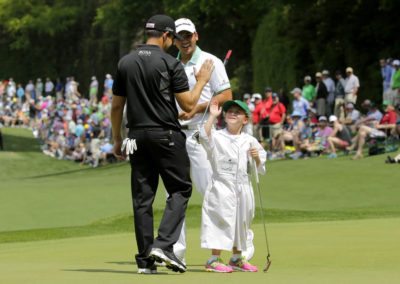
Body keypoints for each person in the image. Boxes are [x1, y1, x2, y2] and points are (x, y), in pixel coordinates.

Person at [111, 14, 214, 274]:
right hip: (166, 135)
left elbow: (116, 105)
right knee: (180, 189)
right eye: (174, 37)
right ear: (167, 36)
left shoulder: (125, 62)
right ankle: (164, 245)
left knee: (142, 199)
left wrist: (116, 138)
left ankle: (145, 262)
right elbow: (189, 104)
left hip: (135, 137)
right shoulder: (170, 63)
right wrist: (202, 80)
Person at [173, 17, 233, 261]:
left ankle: (214, 255)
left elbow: (227, 96)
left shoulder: (211, 61)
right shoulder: (170, 65)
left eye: (188, 35)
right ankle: (176, 253)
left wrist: (197, 109)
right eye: (180, 37)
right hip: (175, 135)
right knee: (175, 195)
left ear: (196, 35)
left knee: (209, 191)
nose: (185, 40)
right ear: (174, 40)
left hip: (201, 132)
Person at [199, 99, 266, 273]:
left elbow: (259, 166)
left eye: (237, 111)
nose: (232, 113)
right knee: (221, 219)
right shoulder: (218, 135)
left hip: (243, 185)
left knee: (241, 221)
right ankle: (213, 259)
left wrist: (256, 157)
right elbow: (203, 137)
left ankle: (236, 257)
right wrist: (212, 116)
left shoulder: (249, 140)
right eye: (229, 111)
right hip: (222, 184)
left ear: (245, 120)